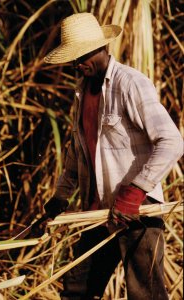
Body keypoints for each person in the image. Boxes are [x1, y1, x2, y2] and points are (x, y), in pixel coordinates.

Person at [43, 12, 183, 300]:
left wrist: (135, 192)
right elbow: (76, 155)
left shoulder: (130, 84)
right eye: (73, 58)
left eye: (82, 55)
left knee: (145, 295)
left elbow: (171, 141)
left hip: (137, 214)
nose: (77, 63)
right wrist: (60, 197)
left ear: (102, 47)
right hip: (97, 214)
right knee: (75, 291)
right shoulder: (82, 94)